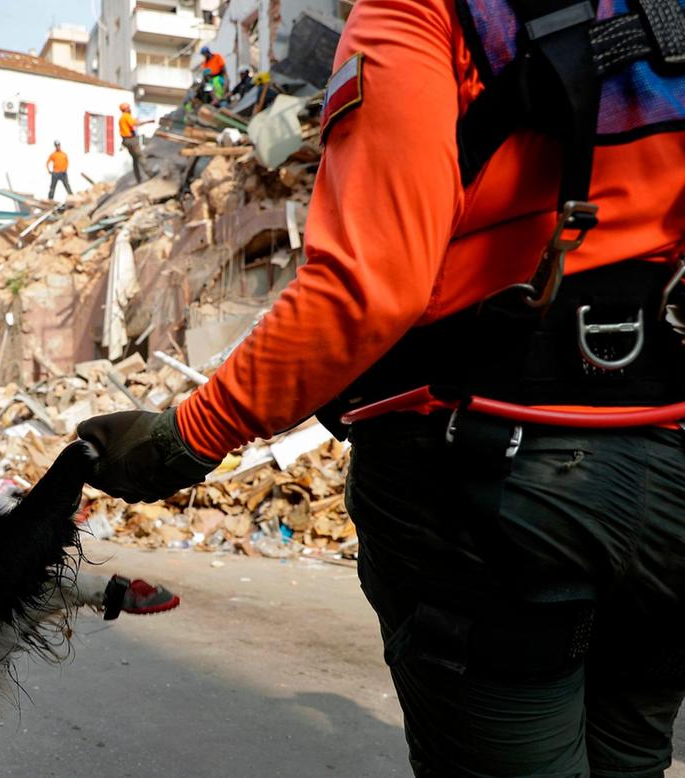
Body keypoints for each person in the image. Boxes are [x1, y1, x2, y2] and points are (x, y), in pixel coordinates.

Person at [79, 0, 685, 773]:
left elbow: (368, 289)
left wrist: (184, 436)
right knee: (631, 757)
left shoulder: (424, 11)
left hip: (500, 475)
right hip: (673, 480)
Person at [118, 103, 149, 184]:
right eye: (128, 108)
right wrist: (147, 122)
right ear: (125, 109)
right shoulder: (126, 116)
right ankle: (150, 173)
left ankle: (138, 179)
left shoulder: (122, 118)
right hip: (131, 140)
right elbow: (134, 123)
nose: (130, 109)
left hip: (126, 141)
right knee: (140, 156)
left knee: (135, 159)